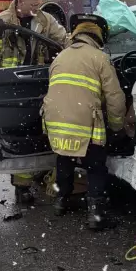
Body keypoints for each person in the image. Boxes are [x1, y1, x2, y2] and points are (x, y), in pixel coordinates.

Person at [0, 0, 71, 204]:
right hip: (4, 86)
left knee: (27, 137)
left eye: (39, 4)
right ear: (20, 1)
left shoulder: (45, 20)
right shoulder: (2, 21)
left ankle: (22, 187)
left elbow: (63, 39)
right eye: (33, 5)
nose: (36, 8)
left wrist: (81, 44)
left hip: (32, 83)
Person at [42, 14, 126, 231]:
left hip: (57, 121)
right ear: (98, 37)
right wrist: (117, 127)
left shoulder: (60, 57)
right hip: (85, 122)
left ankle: (61, 201)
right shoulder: (100, 58)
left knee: (64, 159)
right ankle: (96, 214)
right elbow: (115, 98)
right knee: (95, 166)